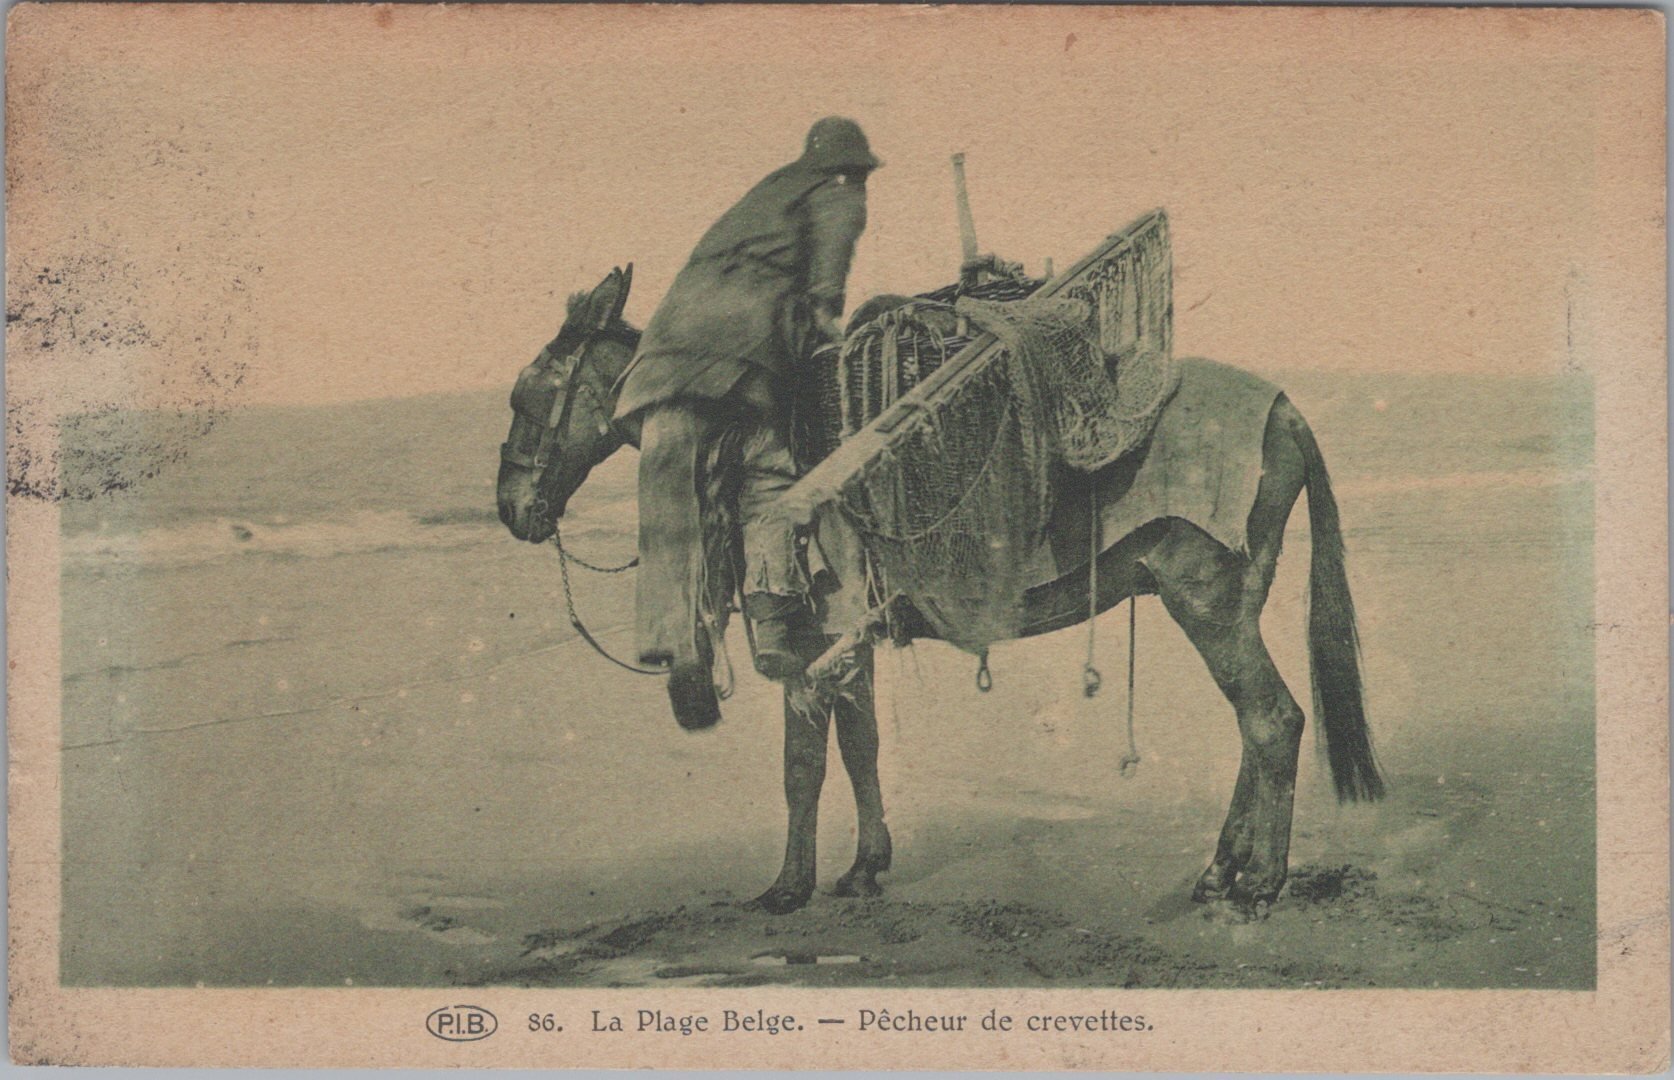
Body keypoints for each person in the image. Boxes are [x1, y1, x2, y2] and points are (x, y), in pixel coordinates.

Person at [614, 117, 880, 695]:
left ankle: (674, 640)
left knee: (669, 502)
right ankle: (770, 624)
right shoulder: (836, 192)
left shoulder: (763, 195)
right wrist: (828, 321)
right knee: (768, 480)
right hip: (740, 362)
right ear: (852, 164)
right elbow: (825, 287)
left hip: (656, 369)